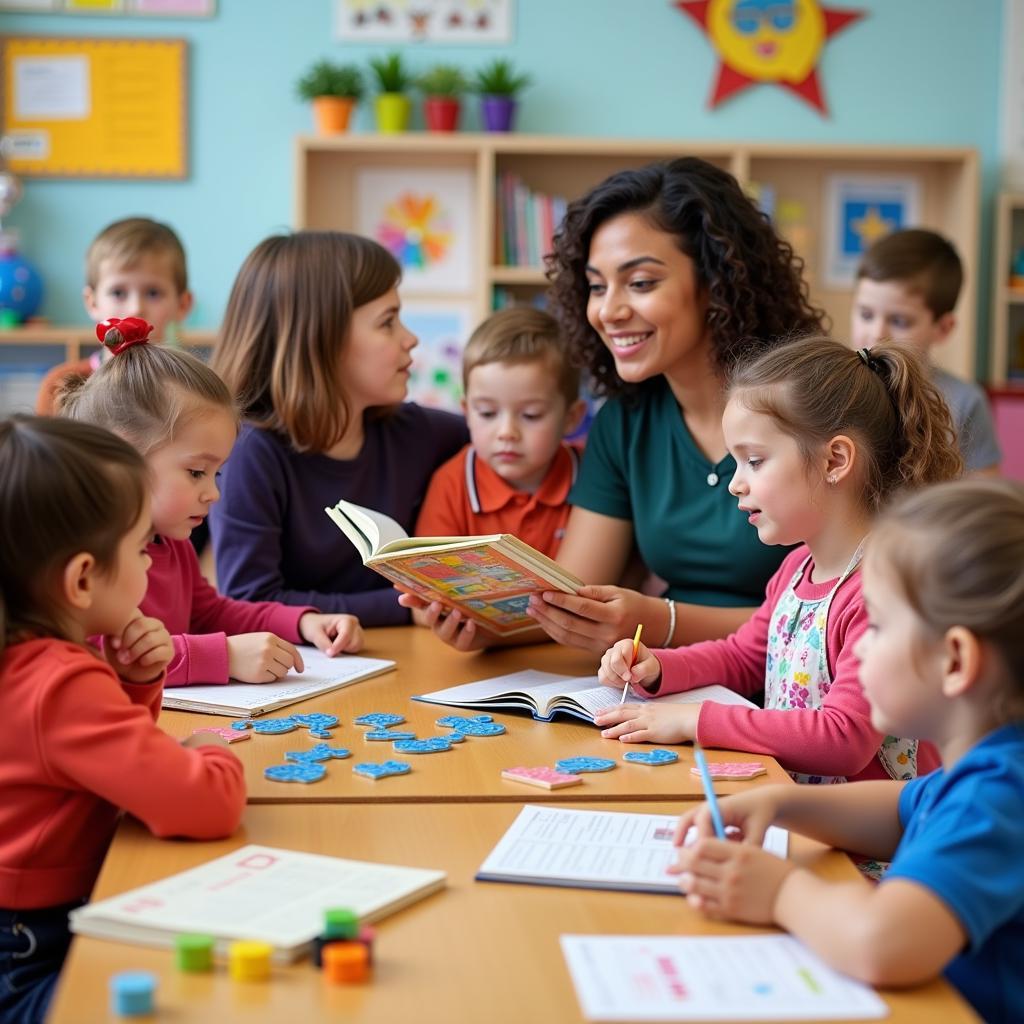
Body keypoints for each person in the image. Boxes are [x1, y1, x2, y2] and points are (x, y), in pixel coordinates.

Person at [413, 157, 826, 653]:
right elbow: (573, 598)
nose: (608, 310)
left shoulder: (814, 408)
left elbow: (841, 610)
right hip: (663, 680)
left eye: (641, 283)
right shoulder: (625, 421)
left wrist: (664, 622)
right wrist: (481, 627)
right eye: (596, 286)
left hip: (792, 693)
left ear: (716, 284)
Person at [670, 479, 1024, 1024]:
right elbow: (903, 808)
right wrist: (781, 805)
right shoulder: (987, 768)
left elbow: (882, 942)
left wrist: (782, 891)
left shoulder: (1000, 792)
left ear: (955, 662)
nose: (857, 646)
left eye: (878, 626)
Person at [595, 337, 962, 785]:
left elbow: (844, 737)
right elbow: (743, 656)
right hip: (805, 815)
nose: (735, 485)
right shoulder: (795, 570)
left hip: (868, 849)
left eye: (753, 461)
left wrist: (693, 721)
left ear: (835, 460)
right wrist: (659, 669)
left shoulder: (884, 591)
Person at [0, 416, 246, 1023]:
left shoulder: (29, 658)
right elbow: (201, 804)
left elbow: (84, 765)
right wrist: (213, 748)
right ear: (82, 578)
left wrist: (134, 686)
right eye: (141, 549)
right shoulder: (60, 681)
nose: (150, 565)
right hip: (30, 952)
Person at [59, 316, 362, 687]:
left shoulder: (172, 543)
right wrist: (225, 656)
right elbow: (106, 660)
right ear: (124, 458)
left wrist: (301, 622)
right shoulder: (88, 559)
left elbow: (211, 612)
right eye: (196, 472)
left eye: (216, 474)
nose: (213, 493)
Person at [209, 231, 468, 625]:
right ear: (321, 340)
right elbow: (250, 600)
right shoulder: (251, 452)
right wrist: (409, 607)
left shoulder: (416, 432)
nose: (411, 339)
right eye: (388, 322)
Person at [414, 307, 586, 557]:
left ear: (571, 418)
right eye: (486, 413)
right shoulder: (451, 484)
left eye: (531, 415)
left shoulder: (592, 474)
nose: (506, 433)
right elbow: (428, 573)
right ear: (467, 412)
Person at [852, 228, 1001, 475]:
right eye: (866, 315)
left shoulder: (966, 402)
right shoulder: (834, 387)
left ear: (943, 328)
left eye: (900, 321)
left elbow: (984, 501)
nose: (877, 333)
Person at [35, 216, 194, 416]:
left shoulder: (191, 391)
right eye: (118, 293)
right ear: (92, 302)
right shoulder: (59, 386)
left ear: (182, 305)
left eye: (153, 293)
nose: (136, 308)